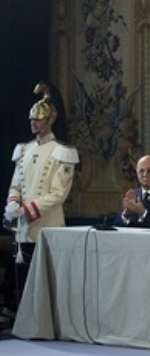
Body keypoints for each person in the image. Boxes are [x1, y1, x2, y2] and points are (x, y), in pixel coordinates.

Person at [4, 82, 78, 313]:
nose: (33, 123)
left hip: (48, 225)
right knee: (23, 278)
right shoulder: (24, 150)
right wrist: (13, 203)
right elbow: (16, 184)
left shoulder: (63, 151)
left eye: (38, 119)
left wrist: (27, 209)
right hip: (24, 228)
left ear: (49, 120)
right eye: (32, 119)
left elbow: (58, 194)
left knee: (46, 283)